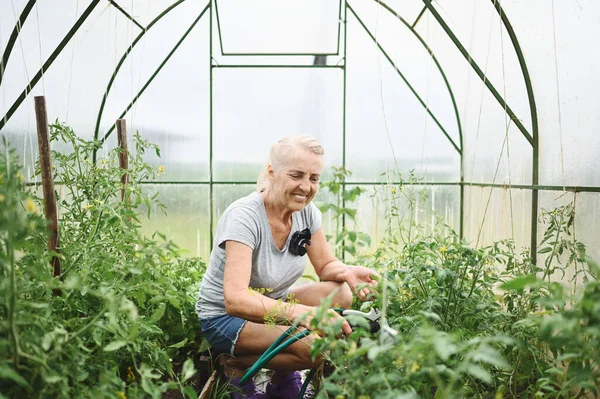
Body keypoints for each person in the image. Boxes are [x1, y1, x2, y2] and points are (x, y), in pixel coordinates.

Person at [196, 135, 379, 398]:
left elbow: (325, 264)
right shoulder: (244, 217)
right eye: (297, 175)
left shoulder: (306, 212)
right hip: (225, 318)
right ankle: (235, 363)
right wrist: (302, 314)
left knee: (341, 293)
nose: (306, 187)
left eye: (314, 178)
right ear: (272, 172)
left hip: (272, 304)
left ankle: (282, 376)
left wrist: (347, 271)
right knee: (312, 348)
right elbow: (234, 299)